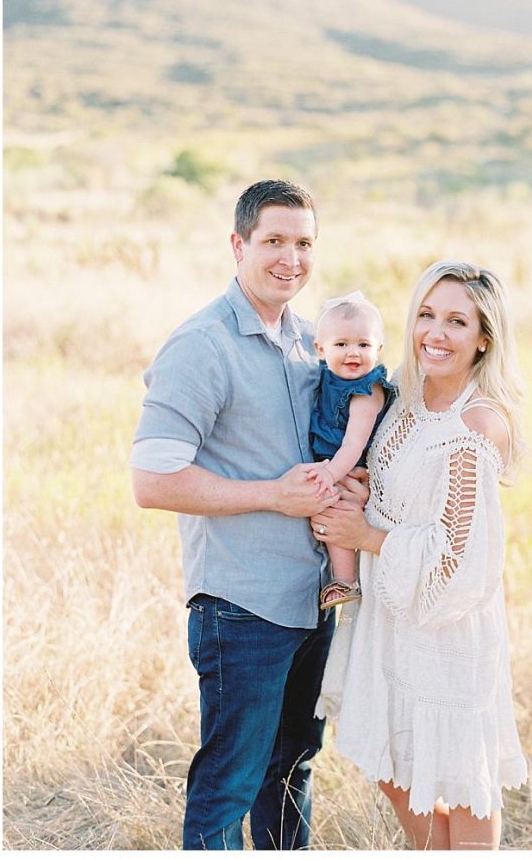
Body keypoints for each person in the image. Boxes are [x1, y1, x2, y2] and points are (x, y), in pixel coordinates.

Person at [130, 180, 369, 851]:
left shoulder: (308, 340)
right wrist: (272, 495)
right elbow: (152, 480)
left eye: (303, 243)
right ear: (238, 244)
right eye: (273, 241)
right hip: (241, 608)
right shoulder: (201, 346)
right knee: (228, 787)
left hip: (309, 603)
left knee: (290, 770)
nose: (290, 258)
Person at [311, 260, 529, 851]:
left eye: (457, 321)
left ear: (484, 337)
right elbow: (396, 491)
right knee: (389, 765)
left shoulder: (477, 425)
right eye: (427, 315)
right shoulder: (404, 400)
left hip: (448, 631)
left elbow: (461, 560)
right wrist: (362, 496)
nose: (435, 332)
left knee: (458, 782)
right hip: (391, 619)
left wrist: (365, 537)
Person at [305, 292, 395, 611]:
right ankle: (339, 576)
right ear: (321, 349)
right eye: (341, 345)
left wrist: (328, 473)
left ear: (378, 348)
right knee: (324, 512)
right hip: (332, 462)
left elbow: (354, 443)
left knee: (335, 510)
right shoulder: (327, 377)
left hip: (349, 467)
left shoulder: (366, 390)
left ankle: (345, 581)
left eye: (364, 345)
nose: (353, 353)